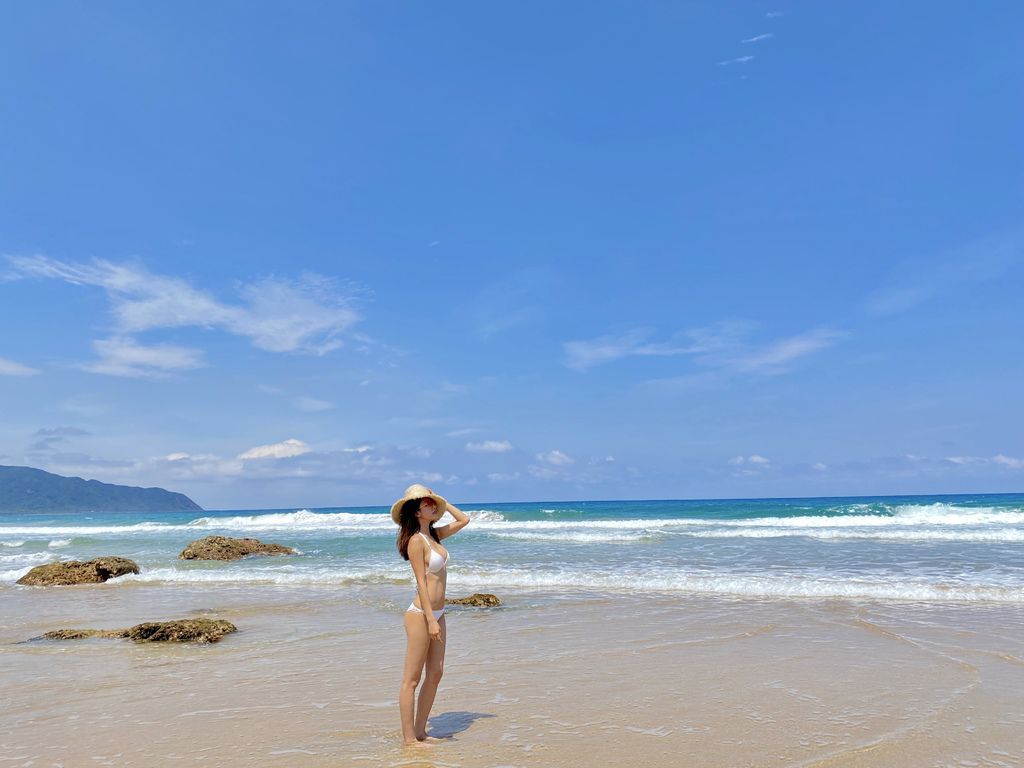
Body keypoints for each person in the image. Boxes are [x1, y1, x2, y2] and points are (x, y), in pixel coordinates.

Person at [392, 483, 470, 746]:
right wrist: (429, 619)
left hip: (439, 612)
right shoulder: (416, 541)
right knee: (411, 679)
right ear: (416, 511)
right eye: (426, 503)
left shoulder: (435, 536)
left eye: (431, 501)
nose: (431, 505)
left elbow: (464, 519)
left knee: (435, 673)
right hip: (420, 615)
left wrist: (441, 500)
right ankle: (408, 739)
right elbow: (421, 583)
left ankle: (421, 731)